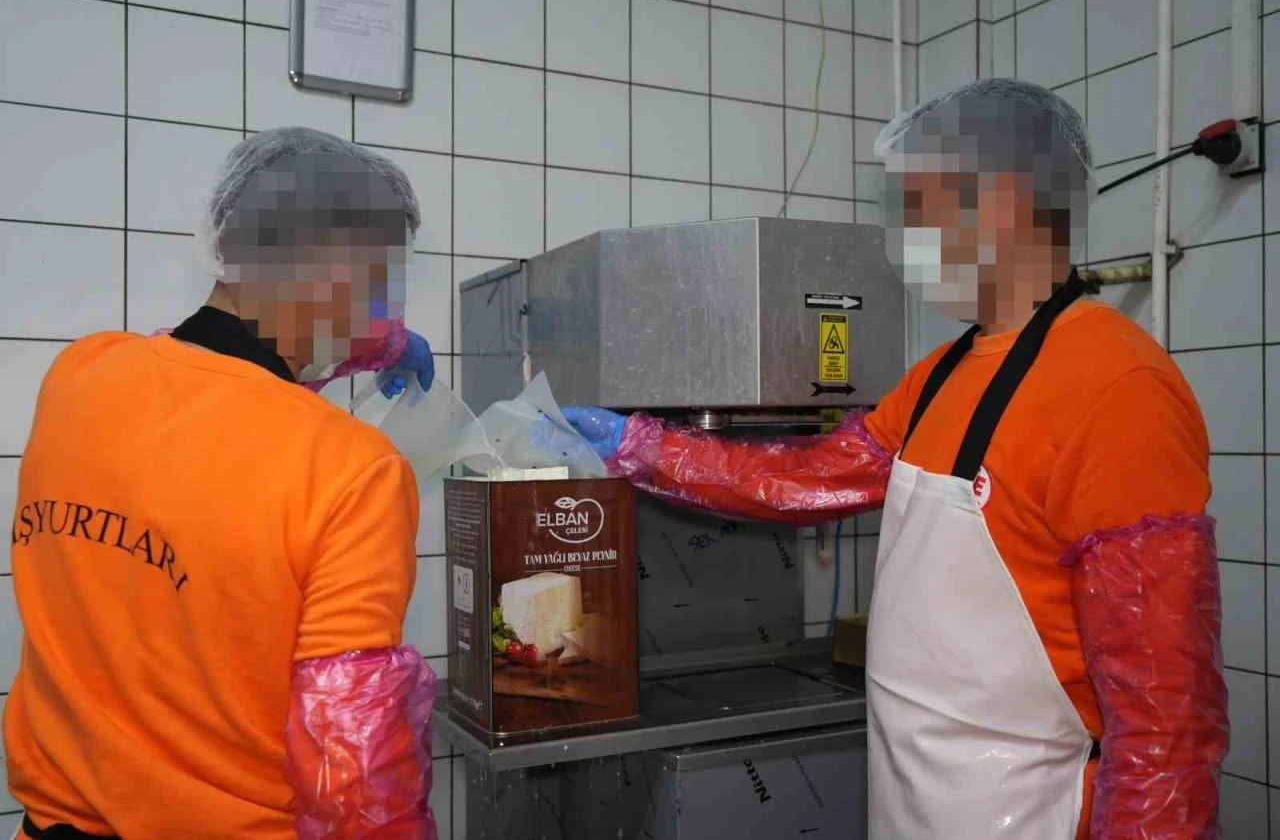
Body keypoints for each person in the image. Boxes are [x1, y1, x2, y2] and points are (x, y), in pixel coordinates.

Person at [564, 79, 1228, 839]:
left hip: (1033, 813)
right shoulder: (942, 374)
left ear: (1008, 204)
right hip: (916, 805)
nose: (904, 236)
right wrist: (640, 447)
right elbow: (807, 479)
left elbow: (1165, 717)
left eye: (921, 206)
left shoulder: (1118, 388)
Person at [5, 127, 440, 839]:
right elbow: (355, 775)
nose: (385, 307)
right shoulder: (353, 469)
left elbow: (213, 371)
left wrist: (374, 342)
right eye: (380, 282)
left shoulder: (80, 374)